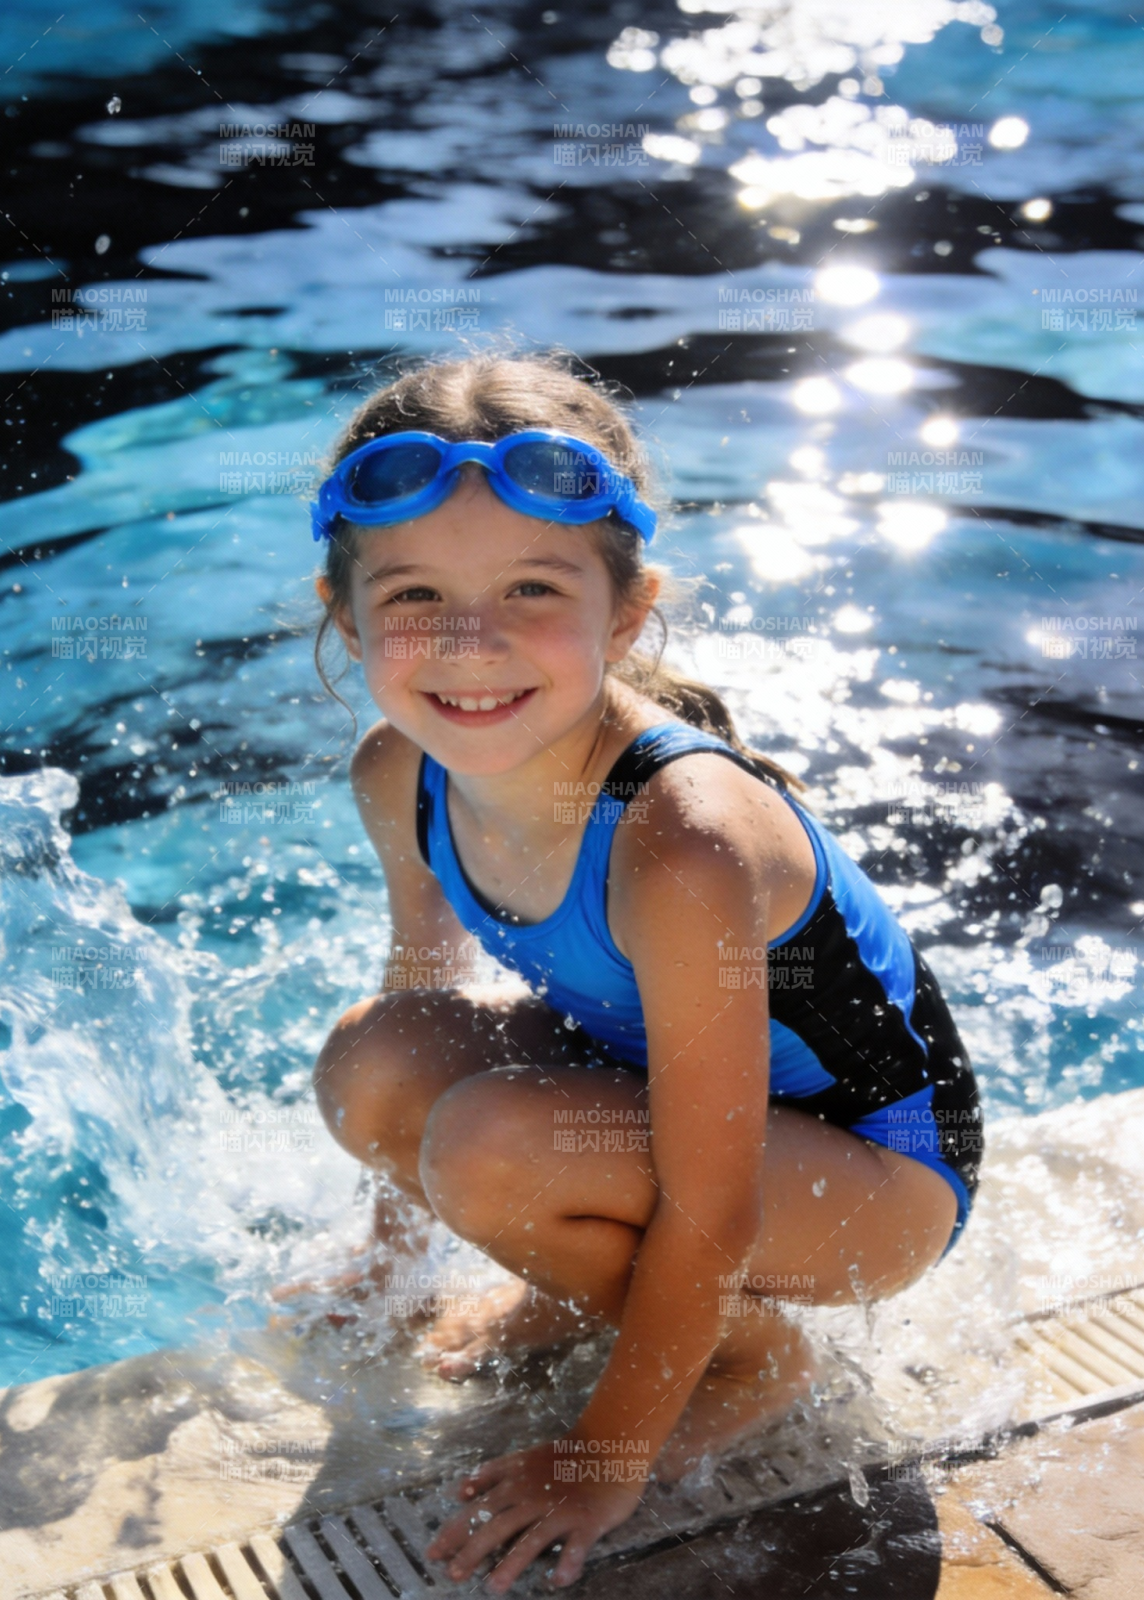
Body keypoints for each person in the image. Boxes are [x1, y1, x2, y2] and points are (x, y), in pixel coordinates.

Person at [300, 350, 983, 1592]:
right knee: (375, 1060)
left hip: (873, 1176)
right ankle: (579, 1288)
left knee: (492, 1140)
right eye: (412, 595)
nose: (469, 640)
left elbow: (713, 1194)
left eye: (528, 587)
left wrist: (607, 1450)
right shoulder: (399, 776)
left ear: (625, 611)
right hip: (666, 1106)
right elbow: (418, 989)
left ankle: (751, 1359)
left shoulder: (682, 838)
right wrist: (388, 1262)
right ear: (345, 616)